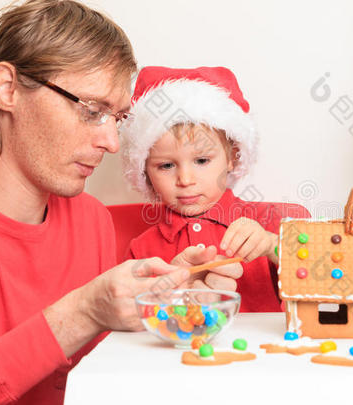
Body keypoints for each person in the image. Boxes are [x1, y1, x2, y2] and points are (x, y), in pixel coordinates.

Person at [0, 1, 241, 404]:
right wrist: (82, 312)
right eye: (92, 111)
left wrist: (161, 302)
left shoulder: (91, 219)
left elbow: (103, 375)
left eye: (117, 118)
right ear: (8, 89)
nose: (110, 142)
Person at [120, 66, 310, 312]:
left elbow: (324, 282)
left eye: (201, 161)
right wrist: (167, 295)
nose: (185, 179)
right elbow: (129, 320)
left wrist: (271, 245)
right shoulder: (142, 249)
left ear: (232, 157)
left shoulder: (267, 224)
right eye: (166, 165)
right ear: (145, 172)